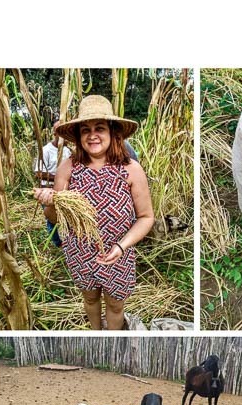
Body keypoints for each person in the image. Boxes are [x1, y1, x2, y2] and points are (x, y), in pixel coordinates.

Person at [34, 95, 155, 330]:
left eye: (99, 128)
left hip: (119, 252)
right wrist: (50, 203)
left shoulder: (131, 169)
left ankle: (112, 336)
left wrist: (121, 246)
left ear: (112, 132)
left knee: (116, 305)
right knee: (90, 298)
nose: (92, 135)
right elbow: (55, 218)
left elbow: (146, 217)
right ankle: (96, 330)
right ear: (79, 136)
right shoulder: (67, 168)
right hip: (80, 251)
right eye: (85, 130)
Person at [34, 125, 73, 248]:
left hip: (65, 191)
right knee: (52, 218)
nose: (66, 138)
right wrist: (59, 177)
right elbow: (38, 173)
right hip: (49, 190)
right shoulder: (46, 150)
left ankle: (69, 241)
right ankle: (57, 243)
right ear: (55, 134)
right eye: (62, 134)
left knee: (67, 216)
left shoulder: (68, 151)